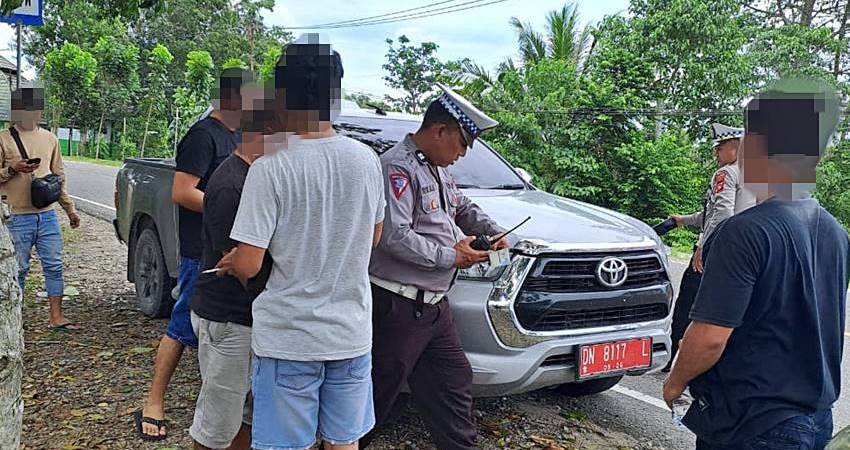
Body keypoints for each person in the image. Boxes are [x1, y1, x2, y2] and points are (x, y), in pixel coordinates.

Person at [217, 38, 385, 450]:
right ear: (334, 97)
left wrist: (234, 262)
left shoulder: (269, 168)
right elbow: (374, 237)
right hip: (350, 336)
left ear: (282, 97)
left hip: (290, 339)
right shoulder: (368, 161)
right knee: (344, 443)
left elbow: (250, 264)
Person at [663, 79, 849, 450]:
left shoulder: (744, 232)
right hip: (816, 420)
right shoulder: (837, 233)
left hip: (753, 424)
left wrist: (674, 383)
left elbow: (710, 338)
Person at [362, 83, 508, 450]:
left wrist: (494, 231)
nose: (463, 153)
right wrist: (452, 256)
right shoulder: (397, 167)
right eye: (462, 143)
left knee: (453, 382)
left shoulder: (439, 168)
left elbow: (460, 207)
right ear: (440, 130)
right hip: (397, 305)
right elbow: (393, 237)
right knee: (378, 396)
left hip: (433, 307)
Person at [135, 68, 248, 441]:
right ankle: (154, 401)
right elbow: (183, 191)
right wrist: (231, 209)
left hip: (229, 248)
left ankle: (213, 404)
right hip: (200, 252)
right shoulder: (203, 135)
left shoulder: (239, 136)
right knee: (182, 325)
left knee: (212, 336)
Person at [188, 82, 280, 450]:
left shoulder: (257, 179)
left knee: (245, 416)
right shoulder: (231, 185)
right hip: (227, 319)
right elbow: (242, 267)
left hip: (249, 317)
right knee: (216, 422)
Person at [663, 123, 755, 370]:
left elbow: (723, 213)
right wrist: (684, 220)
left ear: (734, 149)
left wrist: (703, 246)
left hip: (714, 252)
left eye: (720, 148)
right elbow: (712, 213)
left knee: (688, 304)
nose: (716, 154)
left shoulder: (726, 173)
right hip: (742, 254)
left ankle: (674, 358)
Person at [0, 87, 80, 330]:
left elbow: (58, 177)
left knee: (54, 266)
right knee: (19, 269)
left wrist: (69, 209)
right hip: (16, 216)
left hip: (46, 215)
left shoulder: (50, 139)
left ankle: (57, 317)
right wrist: (12, 168)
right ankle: (16, 320)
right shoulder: (3, 138)